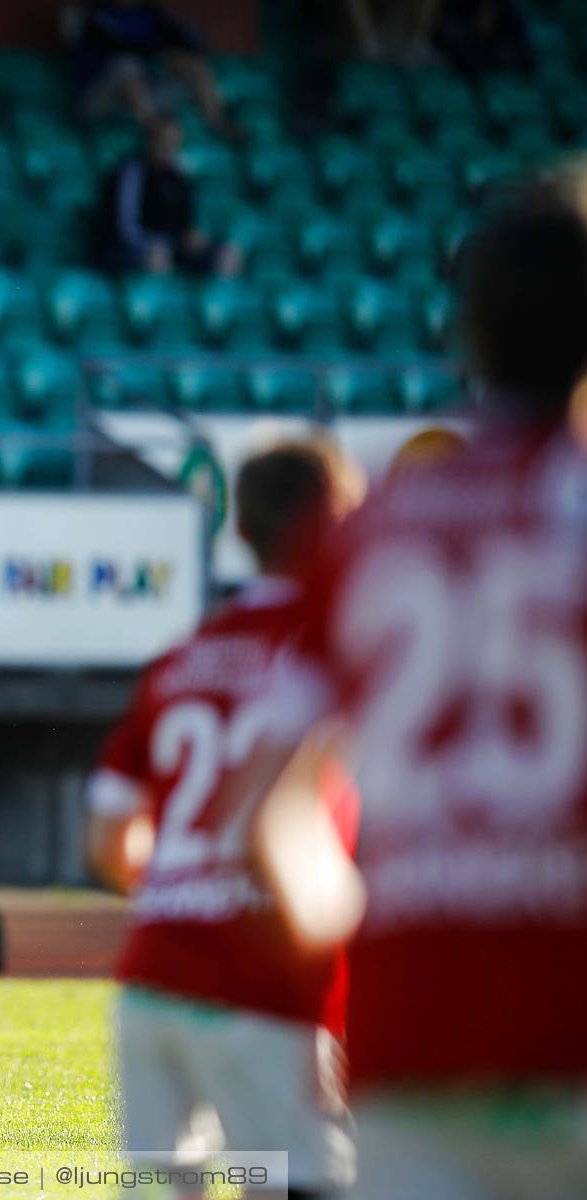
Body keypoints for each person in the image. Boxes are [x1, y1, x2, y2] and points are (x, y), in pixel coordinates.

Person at [237, 170, 587, 1197]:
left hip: (411, 1030)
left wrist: (365, 936)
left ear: (466, 334)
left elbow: (273, 815)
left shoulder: (373, 532)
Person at [85, 440, 364, 1197]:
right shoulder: (338, 644)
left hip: (153, 972)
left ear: (239, 529)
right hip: (264, 971)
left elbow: (109, 841)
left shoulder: (181, 659)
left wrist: (188, 889)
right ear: (336, 521)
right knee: (305, 1180)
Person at [93, 116, 241, 277]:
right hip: (126, 248)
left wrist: (193, 237)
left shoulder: (179, 176)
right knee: (158, 258)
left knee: (227, 256)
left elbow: (185, 223)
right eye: (163, 140)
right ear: (150, 139)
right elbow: (126, 228)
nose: (168, 147)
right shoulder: (131, 171)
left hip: (170, 248)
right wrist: (157, 244)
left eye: (174, 142)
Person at [72, 0, 241, 137]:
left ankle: (216, 122)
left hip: (139, 97)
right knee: (127, 65)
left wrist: (176, 55)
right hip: (97, 101)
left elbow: (191, 42)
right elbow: (119, 46)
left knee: (194, 66)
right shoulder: (97, 14)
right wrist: (160, 52)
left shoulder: (150, 13)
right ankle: (156, 133)